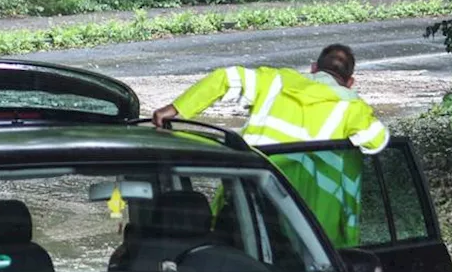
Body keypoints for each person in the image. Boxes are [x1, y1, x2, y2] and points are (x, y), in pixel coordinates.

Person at [151, 44, 388, 247]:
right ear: (350, 81)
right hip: (308, 217)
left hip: (251, 198)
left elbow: (225, 78)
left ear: (313, 68)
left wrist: (176, 109)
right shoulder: (353, 108)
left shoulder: (275, 81)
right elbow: (377, 141)